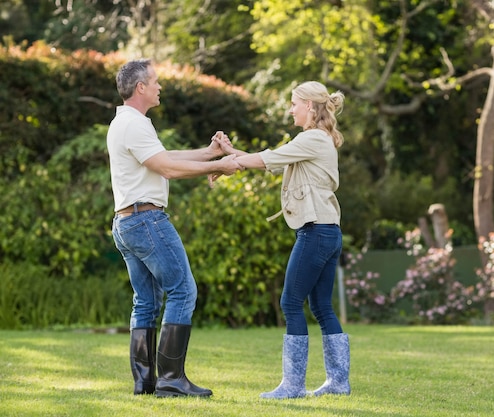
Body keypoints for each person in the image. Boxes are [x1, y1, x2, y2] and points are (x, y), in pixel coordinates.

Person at [107, 58, 241, 398]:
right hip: (146, 220)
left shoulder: (127, 123)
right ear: (141, 88)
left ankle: (146, 382)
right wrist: (221, 165)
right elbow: (167, 169)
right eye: (155, 81)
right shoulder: (134, 124)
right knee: (183, 291)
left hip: (126, 222)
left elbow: (164, 157)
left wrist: (209, 153)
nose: (159, 86)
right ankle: (171, 379)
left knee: (146, 302)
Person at [214, 81, 351, 399]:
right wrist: (232, 154)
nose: (290, 109)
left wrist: (226, 163)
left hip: (315, 232)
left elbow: (267, 159)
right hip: (328, 232)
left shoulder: (313, 138)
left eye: (294, 103)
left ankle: (293, 386)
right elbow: (273, 161)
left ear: (310, 107)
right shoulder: (316, 141)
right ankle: (338, 382)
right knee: (321, 306)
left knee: (290, 302)